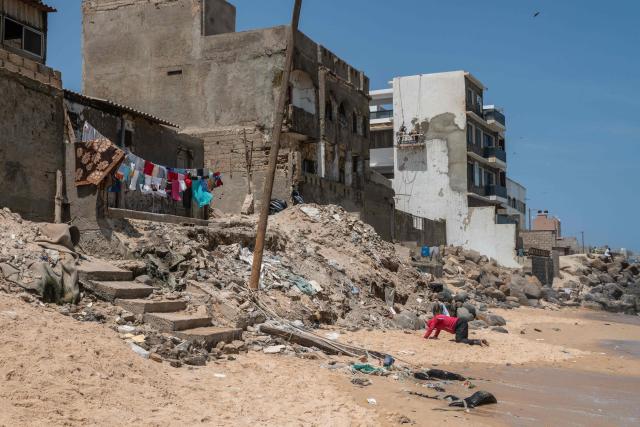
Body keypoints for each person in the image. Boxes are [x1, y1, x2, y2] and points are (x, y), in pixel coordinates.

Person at [424, 304, 488, 346]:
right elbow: (438, 330)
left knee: (459, 340)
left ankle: (478, 342)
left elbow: (430, 329)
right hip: (460, 323)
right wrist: (435, 336)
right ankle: (479, 341)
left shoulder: (435, 319)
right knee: (464, 339)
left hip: (459, 324)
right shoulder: (437, 323)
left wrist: (425, 337)